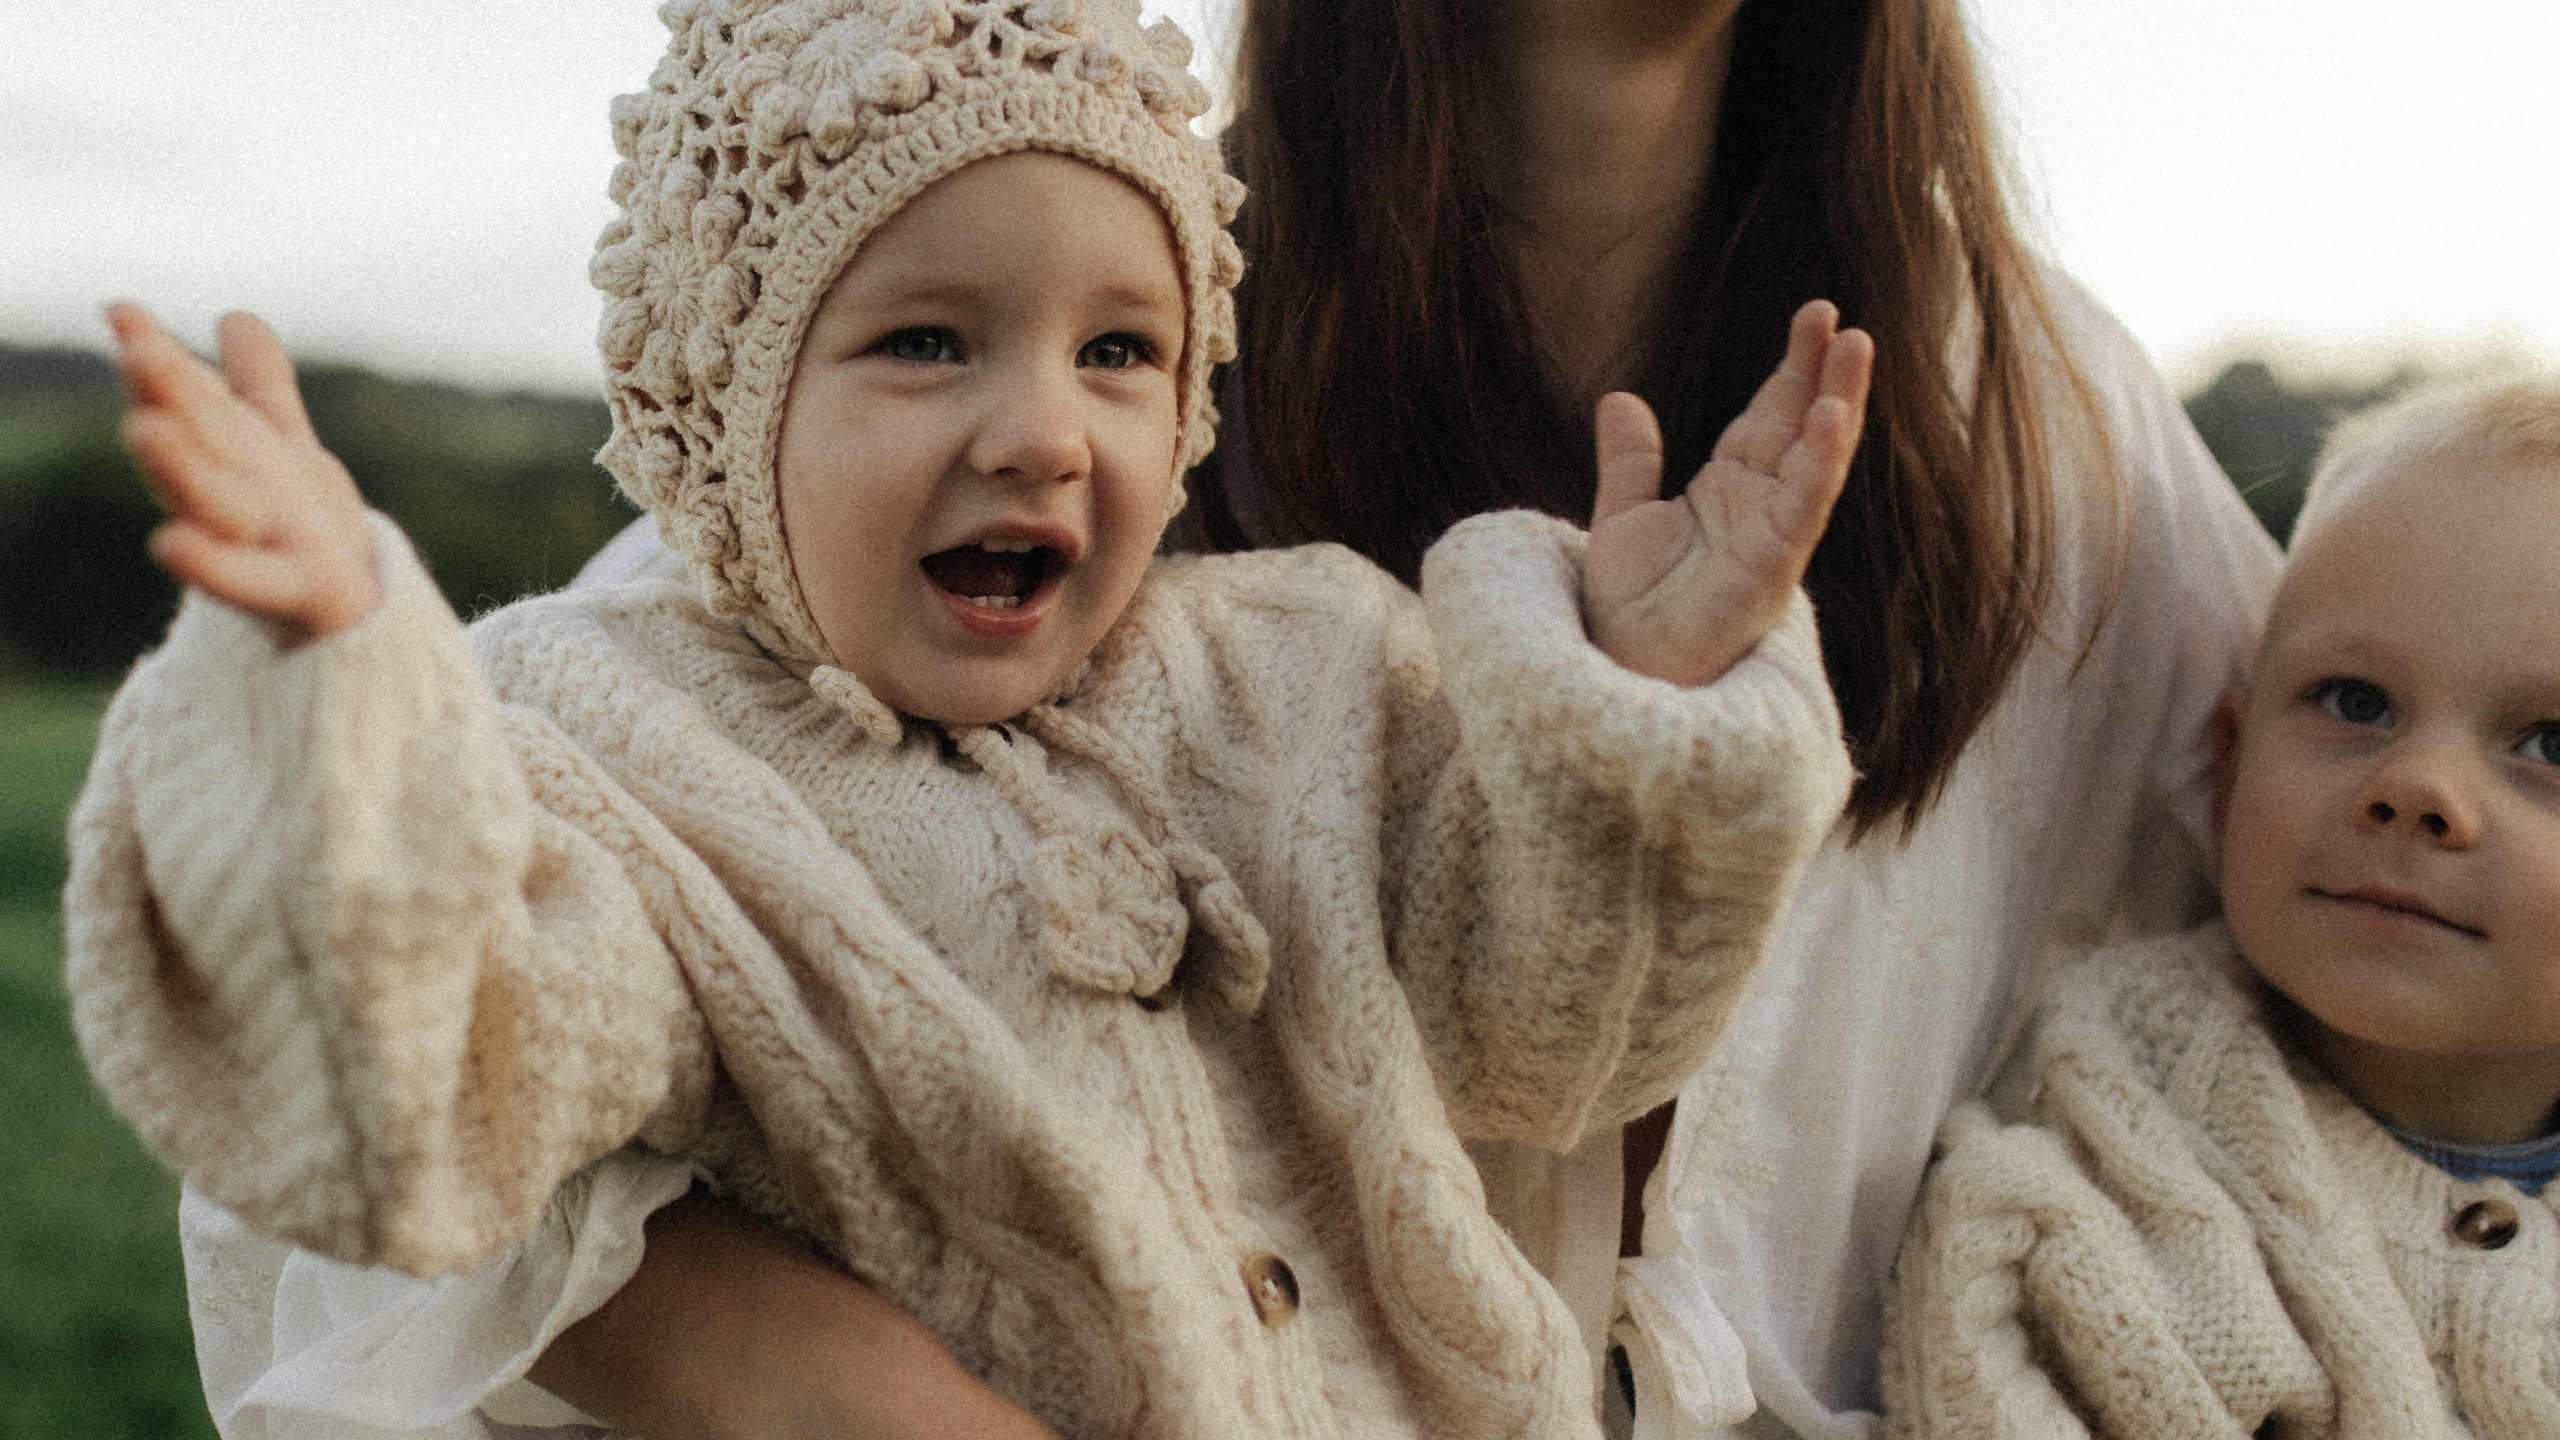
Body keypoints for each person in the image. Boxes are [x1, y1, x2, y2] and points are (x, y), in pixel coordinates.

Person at [151, 0, 2284, 1436]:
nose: (1041, 417)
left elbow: (2400, 927)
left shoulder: (2033, 418)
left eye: (1110, 363)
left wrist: (1633, 711)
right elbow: (451, 1020)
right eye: (926, 347)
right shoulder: (1043, 221)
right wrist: (338, 696)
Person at [1881, 376, 2560, 1437]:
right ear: (2230, 760)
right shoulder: (2098, 1184)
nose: (2418, 785)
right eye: (2354, 702)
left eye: (2548, 746)